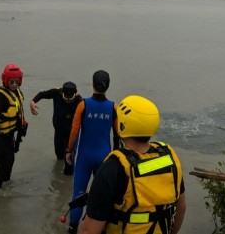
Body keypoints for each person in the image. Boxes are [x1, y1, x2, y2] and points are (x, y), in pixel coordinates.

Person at [79, 95, 186, 234]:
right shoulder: (169, 157)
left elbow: (89, 230)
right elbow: (181, 208)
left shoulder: (114, 168)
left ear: (122, 125)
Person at [65, 70, 120, 234]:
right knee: (104, 197)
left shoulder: (83, 104)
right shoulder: (114, 107)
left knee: (78, 194)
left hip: (84, 157)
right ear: (108, 86)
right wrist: (116, 157)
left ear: (92, 83)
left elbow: (74, 131)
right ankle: (102, 229)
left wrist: (69, 150)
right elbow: (118, 135)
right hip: (105, 158)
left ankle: (73, 228)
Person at [0, 63, 27, 190]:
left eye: (17, 81)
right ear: (5, 80)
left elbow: (18, 113)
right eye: (11, 82)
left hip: (9, 136)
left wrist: (21, 129)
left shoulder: (16, 92)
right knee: (2, 166)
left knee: (10, 162)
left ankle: (6, 186)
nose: (14, 84)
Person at [29, 81, 82, 175]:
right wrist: (33, 101)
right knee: (59, 157)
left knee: (69, 163)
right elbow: (42, 94)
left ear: (75, 93)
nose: (68, 101)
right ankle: (59, 182)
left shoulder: (79, 100)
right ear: (62, 93)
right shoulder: (56, 93)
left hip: (71, 134)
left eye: (70, 99)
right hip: (58, 131)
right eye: (66, 98)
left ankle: (68, 182)